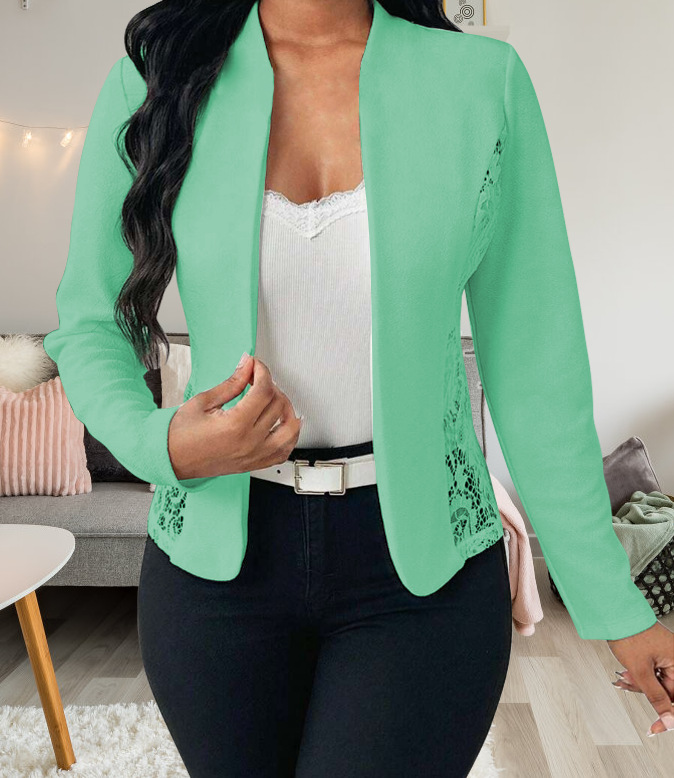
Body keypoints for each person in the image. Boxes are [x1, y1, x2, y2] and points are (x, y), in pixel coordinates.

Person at [43, 0, 674, 775]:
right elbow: (91, 319)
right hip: (213, 576)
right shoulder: (154, 80)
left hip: (425, 579)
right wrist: (160, 444)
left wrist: (611, 601)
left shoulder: (482, 83)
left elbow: (535, 367)